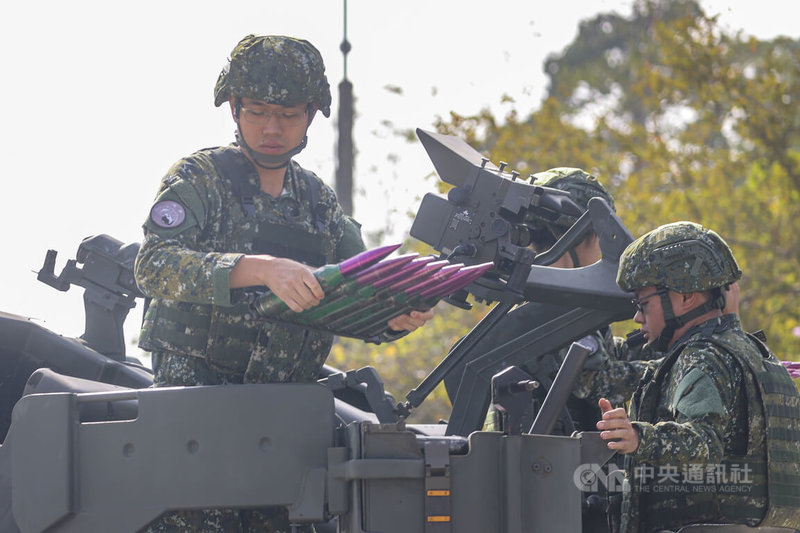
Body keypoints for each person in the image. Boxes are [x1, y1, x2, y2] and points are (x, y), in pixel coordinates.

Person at [134, 34, 432, 533]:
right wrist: (255, 268)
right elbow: (154, 263)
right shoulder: (201, 178)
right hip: (199, 414)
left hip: (285, 425)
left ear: (312, 115)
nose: (272, 128)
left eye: (289, 114)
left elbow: (362, 290)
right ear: (234, 107)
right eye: (257, 111)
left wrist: (398, 317)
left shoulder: (318, 203)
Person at [597, 221, 800, 533]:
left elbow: (703, 445)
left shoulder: (702, 357)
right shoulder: (759, 355)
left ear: (686, 297)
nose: (637, 317)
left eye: (643, 303)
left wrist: (638, 437)